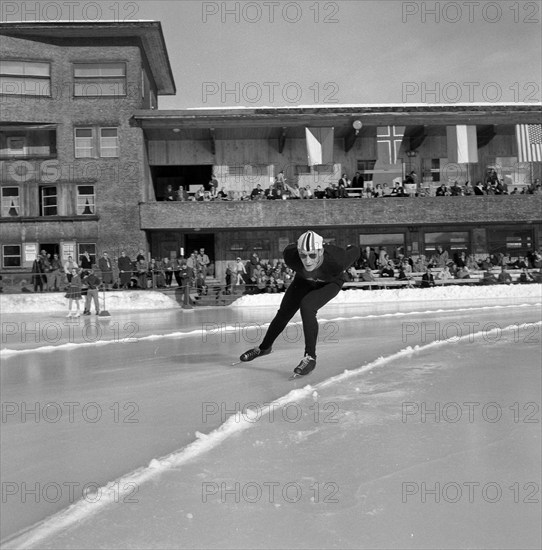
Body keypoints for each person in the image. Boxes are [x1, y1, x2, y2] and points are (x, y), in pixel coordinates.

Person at [239, 230, 360, 377]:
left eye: (313, 255)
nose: (308, 260)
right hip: (303, 280)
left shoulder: (337, 259)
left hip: (330, 282)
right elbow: (292, 248)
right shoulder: (291, 256)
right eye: (303, 255)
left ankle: (310, 357)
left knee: (307, 306)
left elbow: (355, 251)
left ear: (321, 251)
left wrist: (351, 245)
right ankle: (264, 348)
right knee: (284, 312)